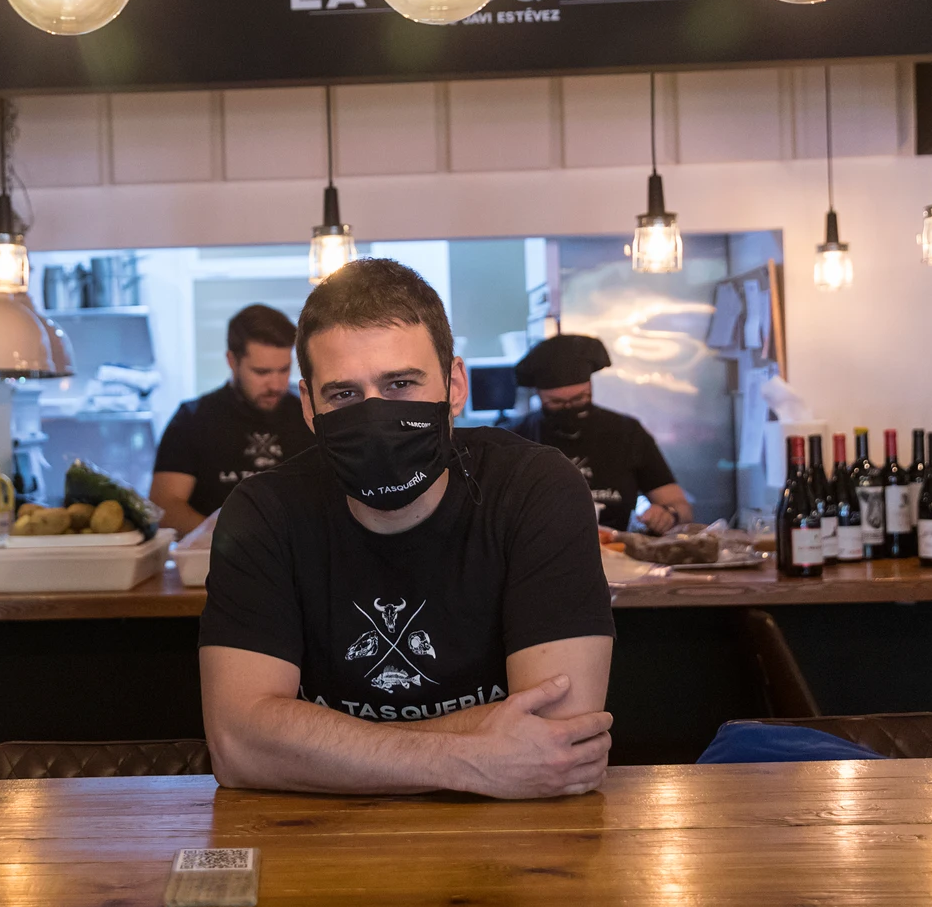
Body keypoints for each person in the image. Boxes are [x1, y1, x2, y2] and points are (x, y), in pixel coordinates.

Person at [199, 259, 616, 798]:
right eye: (344, 395)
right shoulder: (264, 512)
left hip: (513, 845)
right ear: (308, 405)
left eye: (401, 383)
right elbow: (238, 747)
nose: (375, 418)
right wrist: (471, 755)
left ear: (454, 385)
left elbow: (560, 741)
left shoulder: (534, 489)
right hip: (319, 846)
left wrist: (317, 741)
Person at [151, 304, 316, 534]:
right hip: (214, 560)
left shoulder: (310, 412)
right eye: (262, 372)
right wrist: (229, 544)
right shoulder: (192, 419)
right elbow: (165, 506)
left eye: (284, 370)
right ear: (231, 361)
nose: (276, 385)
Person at [508, 334, 692, 535]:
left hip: (618, 554)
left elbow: (680, 506)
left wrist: (668, 514)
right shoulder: (516, 438)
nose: (569, 408)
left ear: (591, 388)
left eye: (580, 399)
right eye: (557, 403)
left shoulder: (626, 432)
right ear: (539, 396)